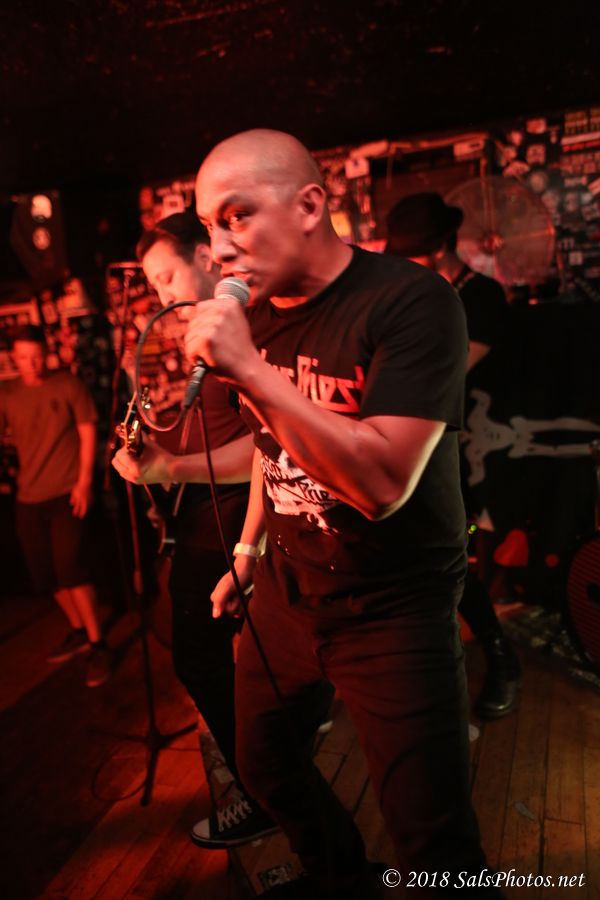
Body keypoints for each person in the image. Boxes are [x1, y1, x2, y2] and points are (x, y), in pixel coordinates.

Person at [184, 129, 504, 897]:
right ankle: (342, 878)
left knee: (434, 844)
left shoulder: (412, 302)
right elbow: (270, 445)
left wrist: (250, 369)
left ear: (309, 206)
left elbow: (382, 484)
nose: (219, 248)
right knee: (264, 764)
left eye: (237, 215)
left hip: (395, 603)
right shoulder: (258, 315)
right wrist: (250, 551)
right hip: (289, 592)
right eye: (208, 227)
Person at [111, 211, 281, 845]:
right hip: (207, 508)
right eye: (152, 284)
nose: (160, 295)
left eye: (166, 277)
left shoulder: (244, 330)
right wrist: (156, 454)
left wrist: (171, 468)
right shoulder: (206, 330)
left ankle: (263, 793)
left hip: (231, 512)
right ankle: (273, 771)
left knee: (200, 656)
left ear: (207, 259)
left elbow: (266, 446)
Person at [385, 192, 521, 719]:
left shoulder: (480, 294)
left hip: (473, 447)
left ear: (441, 245)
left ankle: (501, 658)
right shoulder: (411, 294)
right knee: (426, 560)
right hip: (423, 445)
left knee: (453, 559)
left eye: (413, 253)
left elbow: (442, 373)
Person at [0, 325, 111, 687]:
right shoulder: (8, 393)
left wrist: (84, 482)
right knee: (45, 575)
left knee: (71, 570)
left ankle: (98, 644)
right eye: (23, 358)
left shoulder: (67, 385)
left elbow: (87, 431)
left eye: (36, 356)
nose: (31, 364)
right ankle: (79, 631)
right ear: (13, 358)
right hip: (28, 496)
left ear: (46, 354)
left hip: (66, 492)